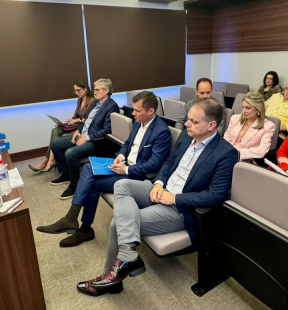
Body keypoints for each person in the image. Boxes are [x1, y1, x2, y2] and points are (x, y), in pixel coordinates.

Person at [76, 98, 238, 296]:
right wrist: (159, 183)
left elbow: (215, 195)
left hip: (180, 208)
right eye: (188, 119)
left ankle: (111, 278)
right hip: (160, 189)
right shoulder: (187, 136)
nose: (186, 124)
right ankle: (128, 258)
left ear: (212, 125)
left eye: (194, 121)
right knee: (121, 185)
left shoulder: (226, 153)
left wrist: (175, 199)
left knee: (117, 223)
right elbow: (169, 163)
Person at [37, 91, 172, 247]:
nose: (133, 113)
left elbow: (155, 164)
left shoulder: (161, 131)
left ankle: (79, 224)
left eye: (137, 110)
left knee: (92, 181)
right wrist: (120, 156)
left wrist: (126, 170)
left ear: (151, 111)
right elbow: (128, 144)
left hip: (137, 175)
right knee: (88, 169)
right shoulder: (138, 122)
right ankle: (74, 221)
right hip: (123, 164)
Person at [50, 78, 120, 199]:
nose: (94, 92)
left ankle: (75, 184)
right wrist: (78, 130)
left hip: (96, 141)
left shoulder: (112, 106)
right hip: (83, 135)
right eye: (94, 89)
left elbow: (107, 130)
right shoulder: (95, 103)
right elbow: (87, 121)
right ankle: (66, 174)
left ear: (106, 90)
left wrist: (86, 138)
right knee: (55, 144)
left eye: (97, 90)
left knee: (70, 153)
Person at [29, 80, 95, 173]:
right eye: (75, 91)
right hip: (75, 125)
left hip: (82, 127)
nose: (76, 93)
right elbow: (77, 116)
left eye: (78, 90)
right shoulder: (80, 100)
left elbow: (90, 119)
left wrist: (77, 120)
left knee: (57, 138)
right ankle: (47, 161)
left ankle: (48, 162)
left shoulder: (92, 101)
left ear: (85, 89)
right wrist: (71, 120)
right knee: (55, 130)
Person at [223, 91, 275, 161]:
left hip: (244, 159)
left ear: (258, 109)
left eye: (247, 108)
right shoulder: (235, 118)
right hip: (226, 154)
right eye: (243, 107)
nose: (243, 111)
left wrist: (235, 153)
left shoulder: (268, 126)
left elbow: (262, 151)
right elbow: (226, 138)